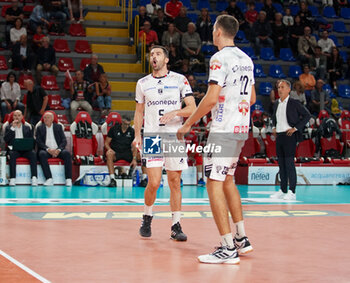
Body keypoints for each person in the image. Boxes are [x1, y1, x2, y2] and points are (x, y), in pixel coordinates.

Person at [177, 14, 256, 264]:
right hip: (241, 127)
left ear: (219, 32)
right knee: (228, 180)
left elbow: (211, 98)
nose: (212, 33)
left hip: (223, 129)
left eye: (213, 29)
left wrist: (188, 123)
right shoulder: (246, 59)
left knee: (213, 182)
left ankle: (227, 247)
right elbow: (252, 98)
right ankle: (241, 239)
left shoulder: (219, 58)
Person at [133, 45, 195, 241]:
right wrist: (137, 135)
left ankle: (176, 225)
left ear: (166, 60)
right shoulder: (143, 83)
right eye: (152, 54)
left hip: (173, 136)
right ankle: (147, 216)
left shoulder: (179, 80)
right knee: (154, 182)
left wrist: (176, 112)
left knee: (175, 181)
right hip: (152, 137)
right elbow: (139, 112)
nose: (154, 57)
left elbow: (192, 107)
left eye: (158, 54)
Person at [271, 80, 311, 200]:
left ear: (288, 89)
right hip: (280, 136)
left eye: (282, 87)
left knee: (289, 164)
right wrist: (273, 127)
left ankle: (292, 191)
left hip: (289, 136)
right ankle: (283, 190)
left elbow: (307, 115)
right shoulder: (276, 103)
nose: (279, 89)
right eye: (278, 87)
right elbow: (274, 117)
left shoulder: (294, 103)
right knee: (281, 164)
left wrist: (296, 128)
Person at [36, 111, 72, 186]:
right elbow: (39, 142)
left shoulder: (58, 127)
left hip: (58, 150)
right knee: (41, 154)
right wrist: (48, 149)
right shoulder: (40, 128)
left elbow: (64, 140)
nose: (46, 119)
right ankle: (49, 179)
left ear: (52, 119)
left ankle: (68, 179)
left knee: (67, 154)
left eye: (48, 117)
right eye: (44, 118)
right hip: (46, 150)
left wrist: (58, 150)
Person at [4, 110, 38, 186]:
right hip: (14, 150)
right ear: (12, 117)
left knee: (33, 153)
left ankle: (34, 178)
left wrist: (30, 145)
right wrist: (12, 128)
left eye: (19, 115)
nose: (17, 117)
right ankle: (12, 178)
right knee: (12, 154)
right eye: (15, 115)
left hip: (26, 150)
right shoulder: (8, 127)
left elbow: (31, 141)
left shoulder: (27, 127)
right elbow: (6, 140)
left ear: (22, 117)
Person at [105, 116, 137, 187]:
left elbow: (134, 146)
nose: (127, 126)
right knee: (109, 154)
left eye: (129, 124)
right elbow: (106, 143)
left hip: (127, 152)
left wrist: (134, 158)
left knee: (142, 155)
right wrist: (110, 149)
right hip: (116, 152)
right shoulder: (114, 129)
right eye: (125, 124)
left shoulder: (132, 131)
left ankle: (144, 179)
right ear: (122, 122)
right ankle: (112, 179)